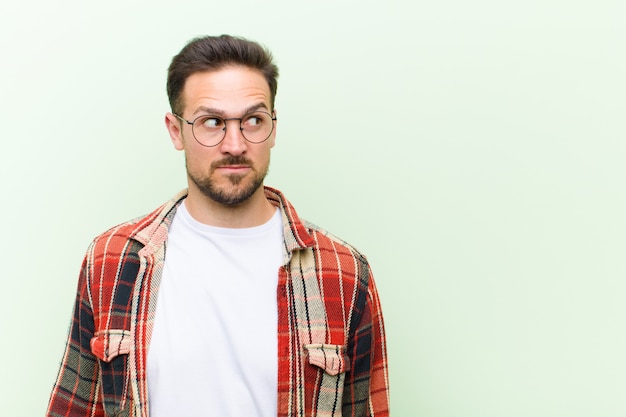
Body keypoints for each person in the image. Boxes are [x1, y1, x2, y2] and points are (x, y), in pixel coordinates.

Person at [46, 34, 389, 417]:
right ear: (176, 130)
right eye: (212, 122)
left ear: (273, 128)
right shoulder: (112, 260)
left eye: (253, 121)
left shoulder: (342, 271)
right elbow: (73, 408)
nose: (235, 144)